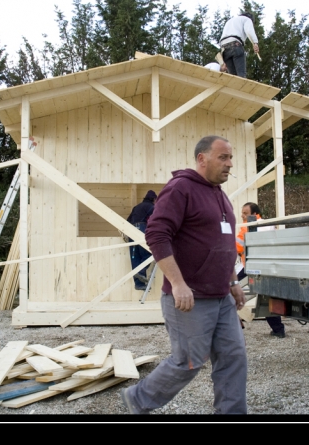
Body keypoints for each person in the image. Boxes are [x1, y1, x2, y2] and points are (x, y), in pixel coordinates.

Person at [120, 135, 248, 415]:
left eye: (230, 157)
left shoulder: (221, 196)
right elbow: (156, 233)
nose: (229, 163)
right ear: (202, 159)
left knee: (234, 357)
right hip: (189, 298)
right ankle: (138, 399)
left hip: (221, 297)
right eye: (223, 157)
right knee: (188, 361)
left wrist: (233, 281)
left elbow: (222, 244)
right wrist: (177, 283)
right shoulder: (180, 188)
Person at [235, 202, 286, 338]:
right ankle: (278, 330)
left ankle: (234, 322)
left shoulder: (248, 226)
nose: (242, 215)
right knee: (268, 298)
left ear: (254, 214)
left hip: (251, 267)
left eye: (245, 213)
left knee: (229, 289)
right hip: (269, 268)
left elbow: (236, 247)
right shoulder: (269, 224)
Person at [126, 190, 157, 290]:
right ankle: (141, 272)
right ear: (153, 199)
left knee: (135, 257)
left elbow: (128, 221)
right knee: (150, 252)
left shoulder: (136, 207)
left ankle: (139, 284)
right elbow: (157, 220)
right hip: (142, 229)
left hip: (131, 231)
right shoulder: (151, 207)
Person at [219, 12, 260, 78]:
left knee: (233, 77)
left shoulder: (230, 21)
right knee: (241, 75)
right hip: (235, 44)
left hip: (224, 48)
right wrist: (255, 43)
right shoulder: (247, 19)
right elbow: (249, 31)